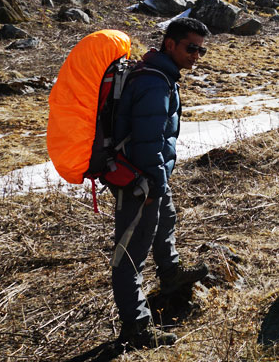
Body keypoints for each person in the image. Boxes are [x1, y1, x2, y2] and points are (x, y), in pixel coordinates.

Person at [112, 17, 210, 349]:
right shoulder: (155, 83)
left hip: (152, 176)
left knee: (166, 218)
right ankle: (136, 328)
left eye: (201, 50)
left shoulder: (161, 76)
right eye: (191, 48)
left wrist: (159, 182)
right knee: (130, 255)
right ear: (170, 44)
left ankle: (170, 272)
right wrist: (152, 185)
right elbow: (147, 141)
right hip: (139, 181)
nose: (196, 56)